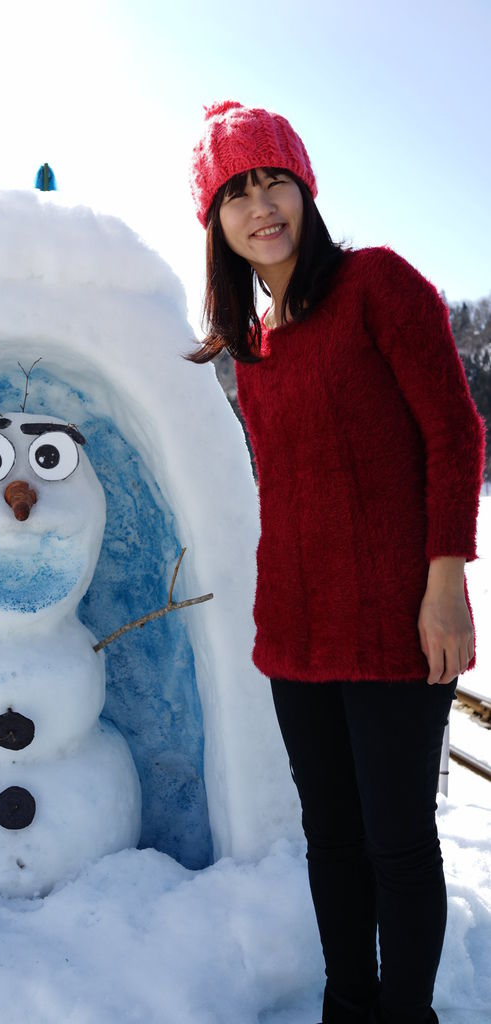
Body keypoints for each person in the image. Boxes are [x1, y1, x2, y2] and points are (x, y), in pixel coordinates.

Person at [188, 100, 486, 1024]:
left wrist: (446, 582)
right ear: (216, 224)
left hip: (396, 616)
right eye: (234, 193)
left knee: (396, 844)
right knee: (331, 843)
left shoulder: (378, 286)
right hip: (298, 629)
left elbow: (453, 433)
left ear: (305, 189)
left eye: (272, 180)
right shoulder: (255, 345)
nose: (259, 205)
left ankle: (406, 1015)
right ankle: (345, 1006)